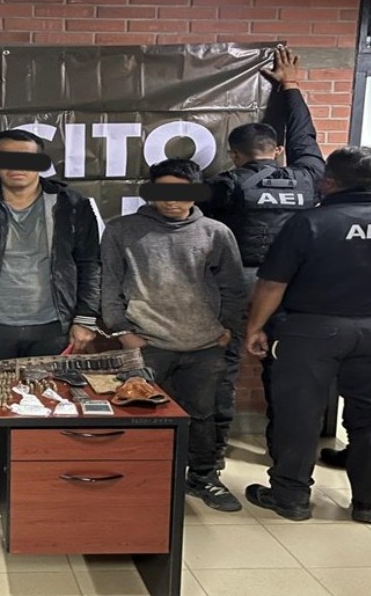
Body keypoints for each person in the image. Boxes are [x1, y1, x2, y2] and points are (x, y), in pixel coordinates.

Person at [201, 45, 325, 466]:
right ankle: (282, 455)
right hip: (294, 286)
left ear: (234, 155)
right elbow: (305, 137)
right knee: (285, 368)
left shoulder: (226, 183)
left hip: (238, 281)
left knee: (224, 364)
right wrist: (291, 87)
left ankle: (213, 452)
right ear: (277, 151)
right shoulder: (308, 176)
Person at [101, 158, 246, 512]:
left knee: (203, 415)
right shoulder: (122, 230)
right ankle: (137, 479)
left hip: (204, 344)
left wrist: (228, 330)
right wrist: (122, 331)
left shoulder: (216, 232)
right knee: (136, 412)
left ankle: (203, 477)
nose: (171, 200)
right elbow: (109, 284)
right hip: (145, 341)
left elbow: (233, 287)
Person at [244, 146, 371, 523]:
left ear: (329, 181)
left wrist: (255, 327)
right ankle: (367, 504)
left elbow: (272, 283)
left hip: (312, 330)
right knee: (369, 417)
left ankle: (291, 497)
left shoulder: (308, 222)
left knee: (299, 414)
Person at [0, 129, 101, 364]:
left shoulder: (72, 205)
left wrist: (85, 318)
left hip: (55, 326)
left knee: (53, 388)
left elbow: (89, 263)